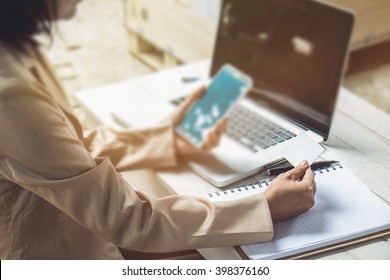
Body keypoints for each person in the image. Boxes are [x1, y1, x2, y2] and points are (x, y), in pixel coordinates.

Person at [0, 0, 316, 259]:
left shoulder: (14, 42)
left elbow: (68, 150)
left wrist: (169, 139)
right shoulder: (11, 94)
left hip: (76, 229)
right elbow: (128, 219)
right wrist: (264, 208)